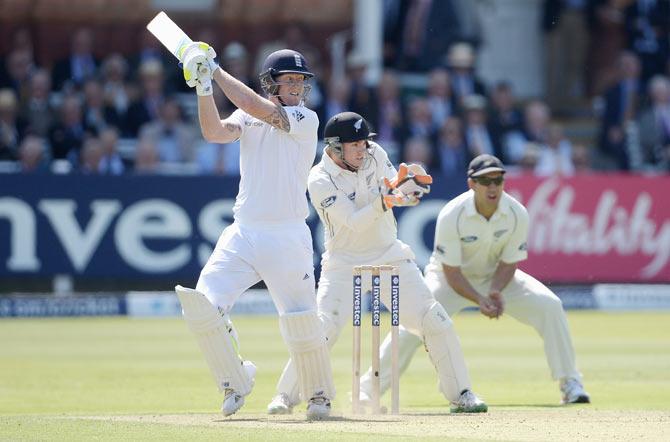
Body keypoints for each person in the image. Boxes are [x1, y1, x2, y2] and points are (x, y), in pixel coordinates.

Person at [266, 111, 487, 415]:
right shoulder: (319, 179)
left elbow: (394, 186)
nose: (363, 150)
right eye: (354, 144)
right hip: (343, 263)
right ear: (334, 146)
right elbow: (356, 222)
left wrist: (408, 187)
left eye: (364, 143)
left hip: (389, 254)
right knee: (323, 329)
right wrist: (387, 201)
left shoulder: (374, 154)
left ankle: (461, 394)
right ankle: (285, 396)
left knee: (434, 319)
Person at [172, 42, 334, 420]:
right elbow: (213, 132)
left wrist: (214, 71)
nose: (296, 85)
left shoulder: (305, 119)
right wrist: (203, 87)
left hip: (288, 235)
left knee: (300, 320)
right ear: (270, 81)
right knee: (202, 306)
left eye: (300, 80)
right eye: (288, 79)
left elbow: (262, 110)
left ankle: (319, 394)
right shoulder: (246, 118)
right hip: (244, 232)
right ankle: (234, 380)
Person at [363, 154, 591, 405]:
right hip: (447, 280)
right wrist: (480, 299)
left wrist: (493, 292)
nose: (492, 186)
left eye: (497, 179)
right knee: (413, 327)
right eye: (485, 180)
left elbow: (509, 263)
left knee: (550, 305)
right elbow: (452, 271)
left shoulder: (517, 213)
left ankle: (570, 382)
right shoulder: (453, 213)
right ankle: (368, 390)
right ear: (472, 184)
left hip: (496, 278)